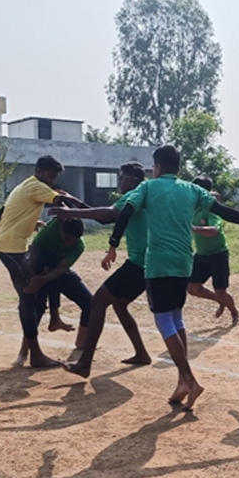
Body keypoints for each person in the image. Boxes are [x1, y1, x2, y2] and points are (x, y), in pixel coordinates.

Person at [107, 145, 239, 410]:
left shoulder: (148, 188)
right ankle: (181, 380)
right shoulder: (192, 190)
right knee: (176, 318)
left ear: (156, 167)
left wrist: (112, 244)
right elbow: (224, 212)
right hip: (184, 262)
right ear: (178, 166)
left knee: (164, 320)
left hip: (158, 263)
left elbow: (126, 212)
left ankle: (189, 379)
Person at [49, 162, 152, 379]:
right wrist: (76, 204)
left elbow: (108, 213)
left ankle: (85, 363)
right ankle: (141, 353)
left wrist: (69, 214)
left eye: (122, 177)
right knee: (120, 305)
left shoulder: (135, 195)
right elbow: (103, 217)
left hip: (139, 263)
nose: (119, 181)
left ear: (133, 180)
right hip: (146, 262)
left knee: (97, 302)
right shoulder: (140, 195)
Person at [0, 155, 84, 368]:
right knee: (29, 298)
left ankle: (29, 349)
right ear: (39, 171)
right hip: (12, 248)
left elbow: (1, 214)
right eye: (50, 176)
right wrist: (90, 208)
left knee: (37, 290)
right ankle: (33, 355)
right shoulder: (36, 186)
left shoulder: (25, 186)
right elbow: (62, 202)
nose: (51, 181)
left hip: (12, 246)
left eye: (54, 178)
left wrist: (31, 221)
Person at [23, 218, 92, 351]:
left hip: (57, 270)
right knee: (37, 307)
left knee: (90, 303)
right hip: (37, 266)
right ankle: (26, 348)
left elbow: (61, 269)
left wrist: (45, 279)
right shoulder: (49, 231)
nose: (69, 244)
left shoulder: (79, 246)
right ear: (60, 229)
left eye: (73, 241)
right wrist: (35, 280)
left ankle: (81, 341)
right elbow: (33, 257)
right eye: (66, 239)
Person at [187, 175, 239, 326]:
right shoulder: (193, 208)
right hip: (202, 255)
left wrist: (193, 228)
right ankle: (219, 300)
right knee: (192, 288)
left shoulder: (211, 208)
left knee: (221, 291)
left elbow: (214, 230)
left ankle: (234, 312)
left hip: (218, 254)